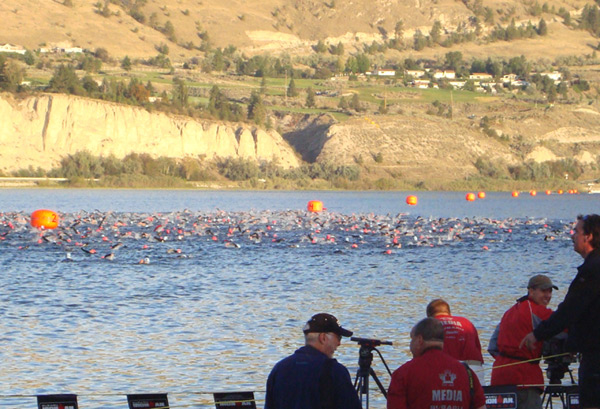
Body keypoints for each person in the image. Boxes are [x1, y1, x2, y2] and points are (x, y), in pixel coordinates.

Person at [521, 214, 600, 409]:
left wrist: (538, 334)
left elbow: (570, 310)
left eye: (576, 231)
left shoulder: (592, 270)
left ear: (588, 237)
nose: (572, 236)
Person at [488, 274, 558, 409]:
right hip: (525, 380)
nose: (548, 295)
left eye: (550, 291)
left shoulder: (509, 312)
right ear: (531, 291)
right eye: (544, 291)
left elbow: (492, 346)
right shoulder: (539, 312)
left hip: (499, 377)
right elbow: (564, 330)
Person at [264, 313, 361, 409]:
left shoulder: (279, 369)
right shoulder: (334, 371)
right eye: (338, 338)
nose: (339, 343)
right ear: (323, 338)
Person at [387, 317, 486, 409]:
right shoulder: (467, 373)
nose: (411, 344)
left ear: (419, 340)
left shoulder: (404, 373)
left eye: (412, 338)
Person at [426, 299, 485, 382]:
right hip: (474, 369)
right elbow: (477, 347)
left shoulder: (430, 324)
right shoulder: (466, 322)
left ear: (429, 316)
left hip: (445, 369)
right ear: (449, 313)